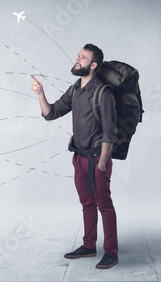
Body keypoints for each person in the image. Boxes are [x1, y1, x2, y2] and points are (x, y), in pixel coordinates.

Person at [31, 44, 119, 269]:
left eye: (83, 57)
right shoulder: (75, 89)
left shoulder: (103, 92)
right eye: (78, 55)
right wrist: (40, 94)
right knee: (86, 203)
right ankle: (89, 246)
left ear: (93, 65)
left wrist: (102, 162)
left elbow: (110, 132)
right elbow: (51, 113)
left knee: (104, 204)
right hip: (79, 157)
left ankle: (111, 252)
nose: (77, 59)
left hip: (98, 158)